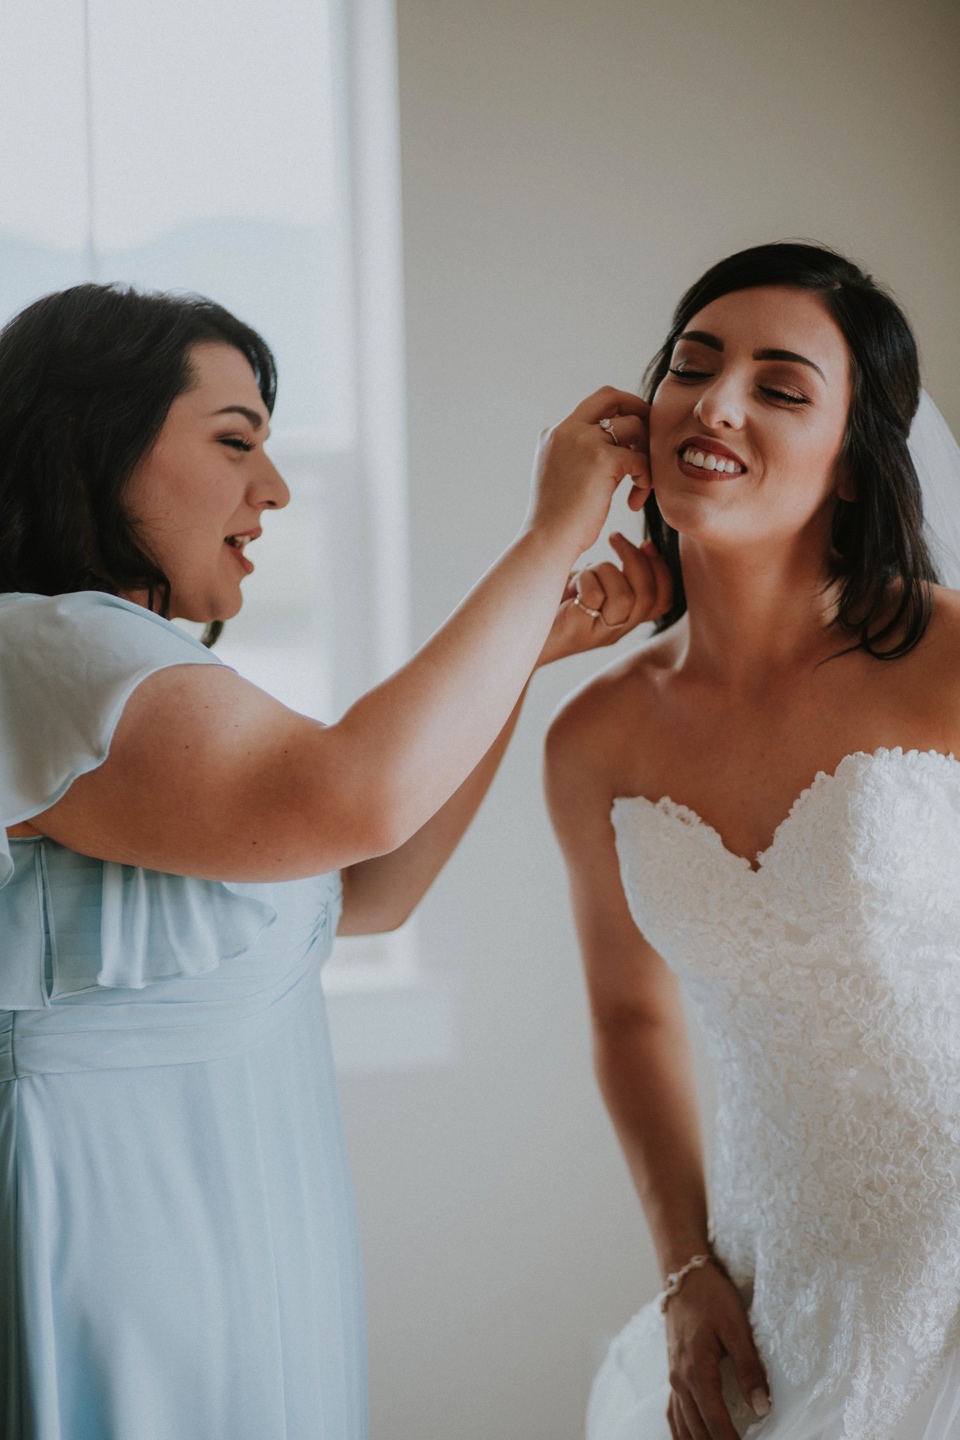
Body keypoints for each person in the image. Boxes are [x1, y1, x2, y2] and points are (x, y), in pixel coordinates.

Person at [0, 282, 670, 1440]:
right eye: (234, 443)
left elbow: (375, 888)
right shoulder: (41, 646)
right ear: (93, 445)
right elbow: (353, 795)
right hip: (111, 1251)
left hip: (252, 1237)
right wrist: (550, 533)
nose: (274, 489)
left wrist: (530, 649)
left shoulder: (141, 670)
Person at [545, 242, 960, 1440]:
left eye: (781, 387)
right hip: (774, 1287)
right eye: (692, 367)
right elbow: (629, 1020)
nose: (716, 403)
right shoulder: (596, 736)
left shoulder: (948, 663)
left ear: (850, 460)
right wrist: (686, 1272)